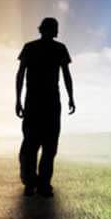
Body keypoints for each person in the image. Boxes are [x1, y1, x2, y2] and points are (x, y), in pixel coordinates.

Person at [15, 17, 75, 197]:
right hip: (44, 103)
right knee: (44, 145)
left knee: (35, 145)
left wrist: (17, 100)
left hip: (38, 102)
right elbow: (66, 75)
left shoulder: (34, 47)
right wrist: (71, 97)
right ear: (51, 30)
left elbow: (20, 75)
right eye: (54, 28)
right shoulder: (56, 48)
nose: (54, 31)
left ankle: (35, 183)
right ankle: (38, 184)